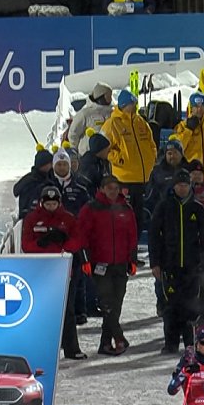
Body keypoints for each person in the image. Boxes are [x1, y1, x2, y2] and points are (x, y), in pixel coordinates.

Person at [149, 169, 204, 353]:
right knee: (170, 306)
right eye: (179, 185)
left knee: (191, 306)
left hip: (192, 268)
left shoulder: (198, 208)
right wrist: (155, 263)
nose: (182, 188)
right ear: (174, 186)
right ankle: (171, 343)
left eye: (185, 185)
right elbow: (154, 236)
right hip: (170, 266)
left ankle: (191, 344)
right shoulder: (163, 207)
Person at [77, 174, 138, 356]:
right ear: (102, 189)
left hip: (120, 264)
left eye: (115, 188)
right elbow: (82, 236)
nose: (112, 191)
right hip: (99, 264)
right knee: (107, 304)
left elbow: (132, 236)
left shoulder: (125, 209)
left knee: (116, 304)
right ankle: (119, 337)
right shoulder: (90, 209)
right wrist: (85, 260)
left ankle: (105, 344)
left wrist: (132, 260)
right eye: (109, 188)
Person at [22, 185, 87, 360]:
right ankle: (43, 350)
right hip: (41, 272)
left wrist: (64, 244)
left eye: (54, 204)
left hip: (65, 271)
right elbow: (26, 245)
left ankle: (71, 348)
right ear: (42, 203)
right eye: (48, 204)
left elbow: (78, 240)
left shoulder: (68, 219)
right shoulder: (31, 219)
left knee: (67, 310)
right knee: (43, 311)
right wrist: (41, 245)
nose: (51, 207)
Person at [103, 88, 157, 230]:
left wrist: (152, 158)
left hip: (143, 178)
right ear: (123, 105)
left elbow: (151, 144)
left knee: (139, 216)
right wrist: (119, 159)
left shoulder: (140, 122)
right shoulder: (112, 123)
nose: (134, 107)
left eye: (135, 104)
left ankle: (136, 244)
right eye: (131, 105)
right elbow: (103, 148)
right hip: (124, 179)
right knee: (125, 216)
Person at [65, 82, 113, 154]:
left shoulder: (113, 113)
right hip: (88, 155)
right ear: (101, 96)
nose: (111, 98)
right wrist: (75, 151)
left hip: (109, 155)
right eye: (108, 96)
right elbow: (73, 133)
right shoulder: (85, 113)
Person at [146, 138, 185, 216]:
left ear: (181, 154)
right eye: (169, 153)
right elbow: (150, 196)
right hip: (164, 213)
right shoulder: (157, 172)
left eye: (175, 152)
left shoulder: (189, 169)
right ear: (165, 155)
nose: (172, 156)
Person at [13, 146, 56, 217]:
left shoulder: (48, 177)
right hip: (30, 216)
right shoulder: (31, 180)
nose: (52, 165)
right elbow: (17, 191)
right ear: (43, 164)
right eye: (50, 163)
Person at [51, 149, 90, 214]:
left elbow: (88, 212)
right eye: (59, 164)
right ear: (53, 166)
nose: (62, 167)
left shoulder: (81, 188)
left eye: (65, 164)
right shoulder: (46, 186)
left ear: (69, 166)